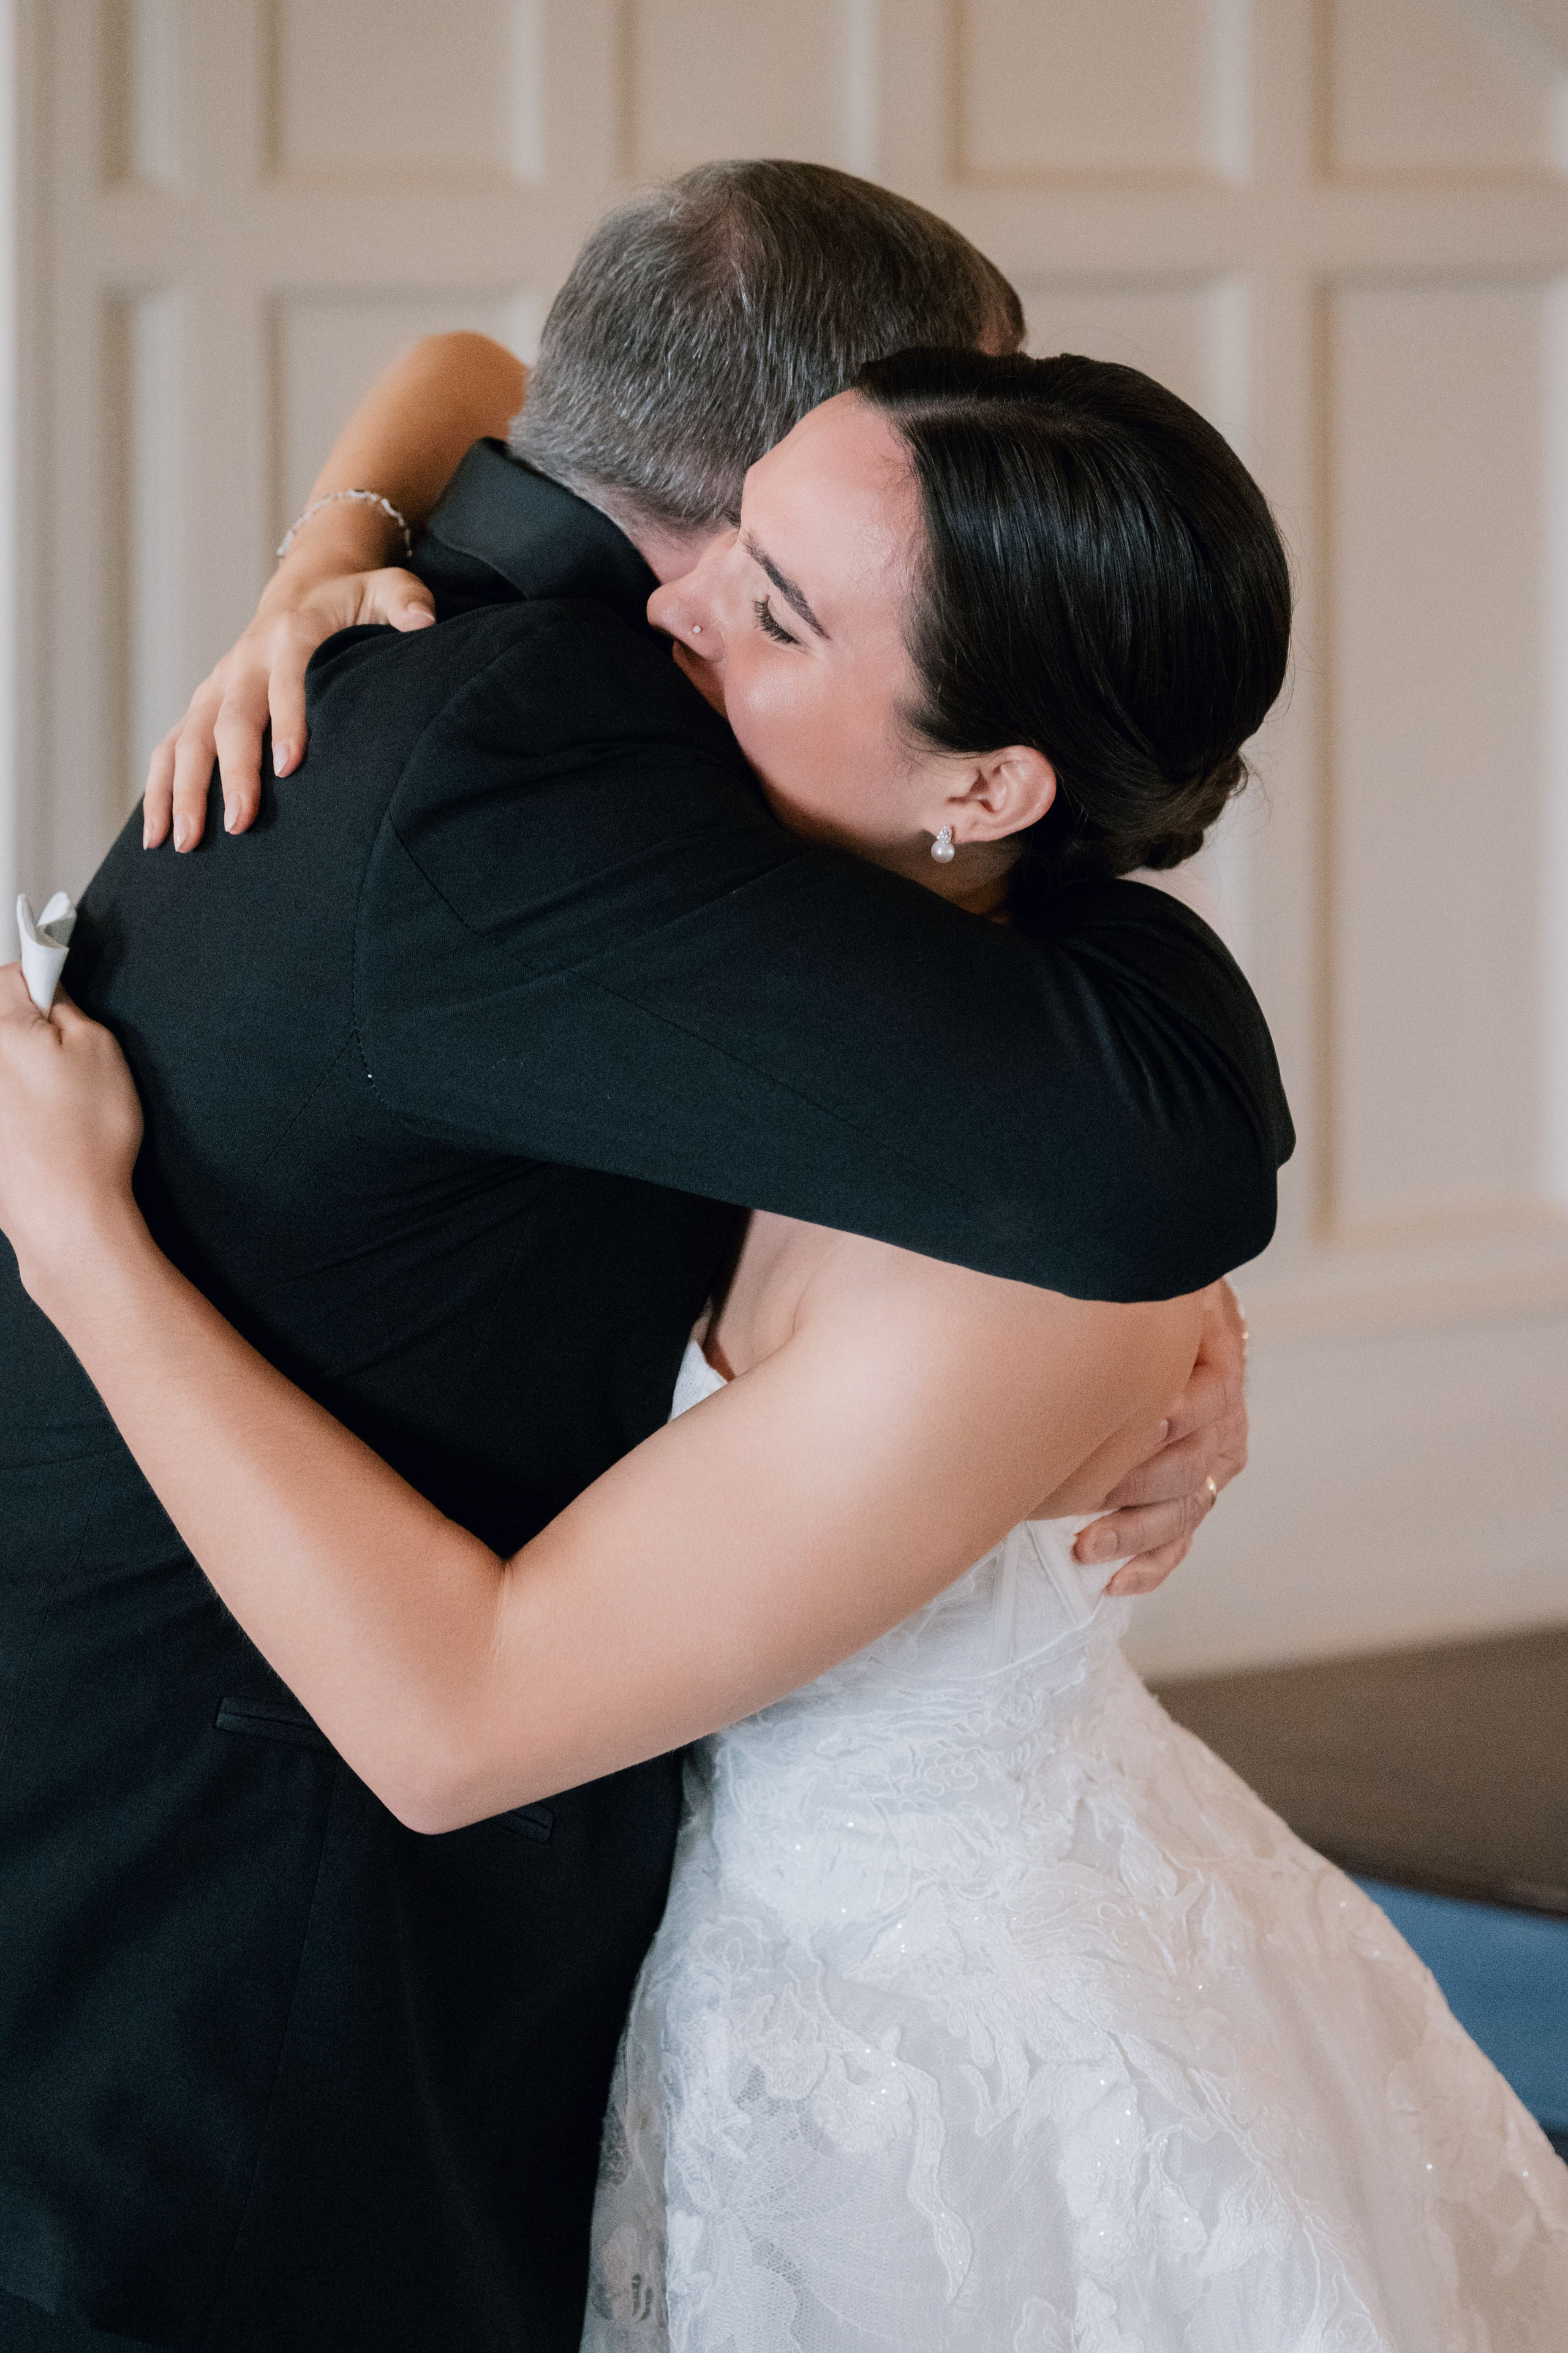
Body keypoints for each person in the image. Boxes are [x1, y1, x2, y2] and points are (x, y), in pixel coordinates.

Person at [7, 346, 1566, 2347]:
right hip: (657, 1995)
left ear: (988, 786)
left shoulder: (1033, 1237)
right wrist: (329, 547)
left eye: (777, 605)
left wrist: (84, 1239)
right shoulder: (749, 957)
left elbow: (456, 1718)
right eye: (734, 533)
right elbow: (480, 365)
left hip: (923, 2081)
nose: (665, 600)